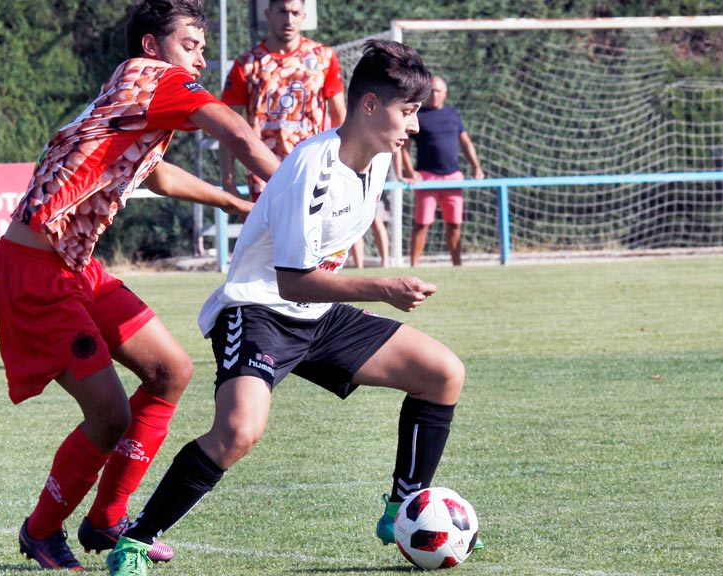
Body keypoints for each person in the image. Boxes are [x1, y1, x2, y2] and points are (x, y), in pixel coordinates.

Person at [106, 40, 467, 576]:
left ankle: (403, 511)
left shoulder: (379, 162)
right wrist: (384, 287)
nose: (414, 126)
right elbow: (294, 281)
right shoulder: (310, 167)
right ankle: (136, 541)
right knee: (238, 433)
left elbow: (315, 281)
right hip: (257, 312)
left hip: (316, 314)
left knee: (443, 374)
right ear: (369, 106)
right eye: (407, 112)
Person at [0, 0, 280, 571]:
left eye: (201, 48)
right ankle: (41, 531)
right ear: (152, 47)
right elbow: (240, 134)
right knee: (111, 416)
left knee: (171, 371)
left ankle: (105, 521)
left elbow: (159, 173)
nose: (198, 60)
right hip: (35, 272)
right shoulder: (158, 77)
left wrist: (231, 201)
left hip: (75, 266)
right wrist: (298, 193)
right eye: (190, 46)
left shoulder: (134, 90)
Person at [218, 0, 344, 205]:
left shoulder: (323, 58)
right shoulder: (247, 64)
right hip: (264, 177)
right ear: (268, 14)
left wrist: (344, 166)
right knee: (271, 237)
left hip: (313, 171)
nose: (289, 19)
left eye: (295, 13)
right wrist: (228, 179)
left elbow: (340, 116)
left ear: (304, 16)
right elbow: (227, 124)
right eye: (282, 12)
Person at [395, 75, 484, 266]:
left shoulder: (453, 114)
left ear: (445, 94)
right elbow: (404, 148)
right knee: (422, 224)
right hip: (427, 178)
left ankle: (457, 266)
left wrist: (477, 168)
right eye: (431, 91)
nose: (434, 95)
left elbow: (466, 143)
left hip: (453, 177)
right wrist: (410, 171)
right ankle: (414, 265)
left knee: (454, 224)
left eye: (438, 91)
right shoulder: (419, 115)